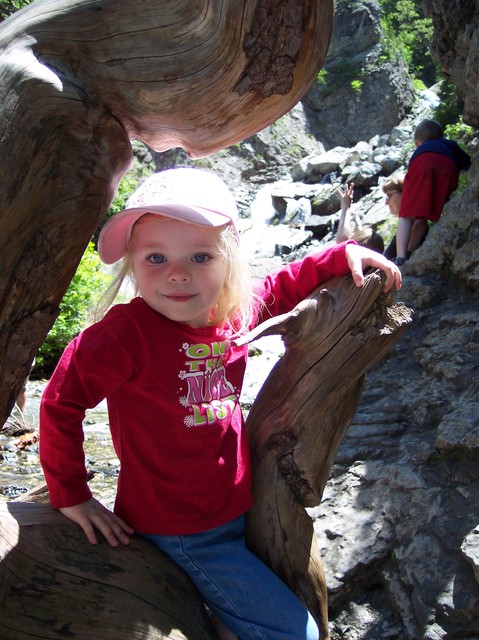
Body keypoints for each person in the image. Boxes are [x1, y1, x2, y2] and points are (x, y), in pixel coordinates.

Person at [39, 168, 402, 640]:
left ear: (229, 259)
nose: (177, 272)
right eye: (155, 257)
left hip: (235, 509)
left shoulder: (229, 312)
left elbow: (281, 286)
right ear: (131, 263)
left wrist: (341, 254)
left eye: (200, 255)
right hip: (181, 530)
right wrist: (73, 494)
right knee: (300, 634)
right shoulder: (125, 334)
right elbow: (60, 401)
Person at [394, 118, 471, 266]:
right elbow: (468, 163)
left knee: (407, 216)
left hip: (423, 163)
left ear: (417, 143)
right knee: (423, 216)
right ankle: (410, 252)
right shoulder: (450, 144)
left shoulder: (421, 151)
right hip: (450, 165)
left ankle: (401, 257)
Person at [336, 182, 384, 254]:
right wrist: (360, 233)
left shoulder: (349, 257)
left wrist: (345, 207)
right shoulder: (374, 263)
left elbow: (342, 242)